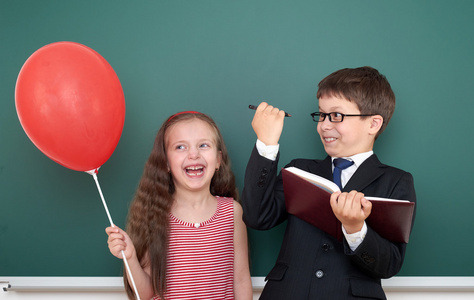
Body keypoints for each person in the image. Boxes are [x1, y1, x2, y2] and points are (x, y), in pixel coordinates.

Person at [241, 66, 416, 299]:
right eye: (321, 115)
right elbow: (257, 216)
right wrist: (267, 143)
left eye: (336, 116)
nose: (324, 125)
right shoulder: (300, 169)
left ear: (373, 124)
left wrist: (355, 230)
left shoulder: (396, 181)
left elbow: (389, 264)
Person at [106, 111, 252, 300]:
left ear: (218, 160)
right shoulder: (156, 215)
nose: (193, 154)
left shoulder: (232, 212)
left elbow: (240, 280)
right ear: (165, 162)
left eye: (203, 145)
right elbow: (145, 293)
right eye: (180, 147)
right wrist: (131, 257)